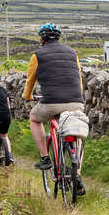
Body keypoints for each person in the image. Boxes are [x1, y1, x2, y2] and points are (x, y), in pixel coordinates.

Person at [23, 22, 85, 194]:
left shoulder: (37, 55)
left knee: (34, 119)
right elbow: (78, 78)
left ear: (42, 39)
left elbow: (30, 81)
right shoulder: (73, 53)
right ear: (59, 37)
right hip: (75, 101)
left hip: (51, 102)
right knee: (76, 136)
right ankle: (77, 173)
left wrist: (27, 96)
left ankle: (45, 158)